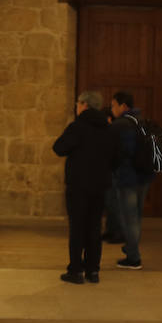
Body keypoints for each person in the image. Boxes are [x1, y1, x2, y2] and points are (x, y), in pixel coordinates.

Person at [51, 92, 116, 284]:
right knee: (94, 228)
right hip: (100, 186)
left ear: (85, 105)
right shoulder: (108, 128)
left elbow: (58, 148)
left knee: (77, 227)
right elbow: (116, 157)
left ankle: (76, 271)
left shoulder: (77, 127)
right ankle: (93, 271)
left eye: (78, 104)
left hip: (78, 186)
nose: (76, 107)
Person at [108, 91, 154, 269]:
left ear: (123, 106)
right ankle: (131, 250)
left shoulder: (119, 126)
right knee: (136, 217)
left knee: (129, 218)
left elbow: (114, 153)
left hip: (127, 178)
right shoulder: (142, 121)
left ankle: (133, 257)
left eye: (113, 105)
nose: (112, 109)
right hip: (145, 176)